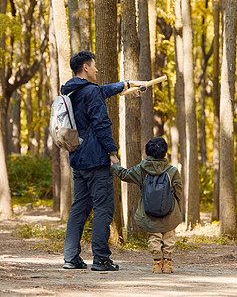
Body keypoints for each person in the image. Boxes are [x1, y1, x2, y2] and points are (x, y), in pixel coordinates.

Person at [61, 51, 147, 271]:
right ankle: (101, 259)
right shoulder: (90, 92)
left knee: (79, 207)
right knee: (103, 208)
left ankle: (71, 258)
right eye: (94, 65)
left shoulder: (71, 91)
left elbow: (102, 91)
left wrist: (127, 84)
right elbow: (101, 123)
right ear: (86, 68)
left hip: (77, 158)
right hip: (96, 159)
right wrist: (112, 152)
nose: (98, 69)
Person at [111, 137, 183, 273]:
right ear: (165, 153)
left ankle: (156, 264)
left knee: (154, 236)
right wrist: (178, 207)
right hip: (170, 210)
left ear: (148, 153)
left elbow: (125, 174)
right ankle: (167, 264)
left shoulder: (142, 169)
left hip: (148, 210)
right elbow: (178, 191)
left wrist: (114, 166)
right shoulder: (172, 171)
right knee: (169, 236)